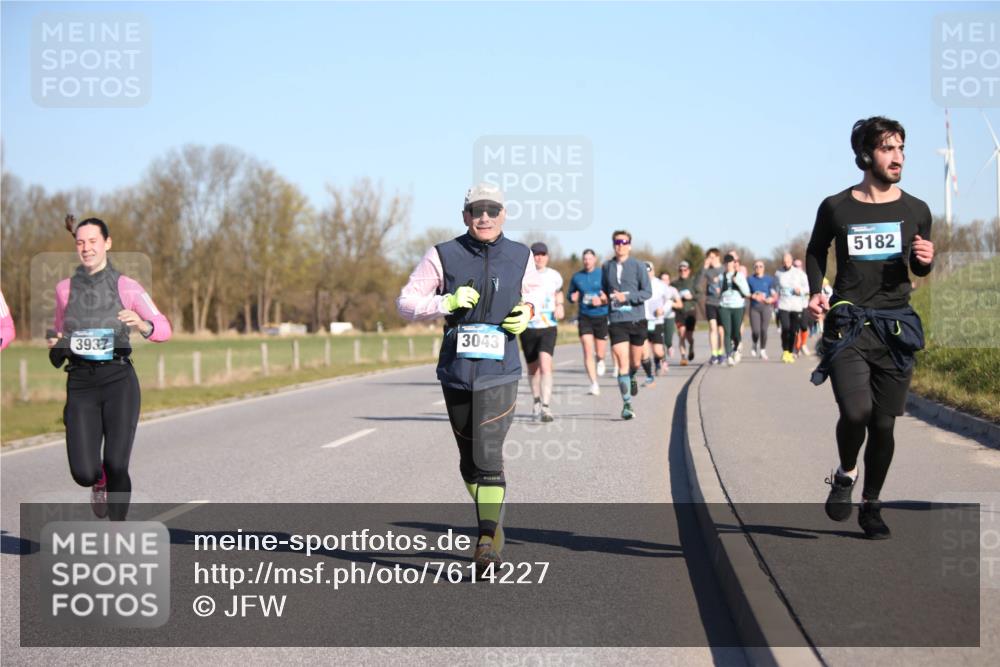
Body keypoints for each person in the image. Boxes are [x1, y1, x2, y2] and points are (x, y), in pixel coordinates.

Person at [397, 183, 542, 569]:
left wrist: (528, 310)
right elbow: (406, 302)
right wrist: (446, 301)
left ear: (503, 214)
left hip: (501, 370)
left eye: (492, 210)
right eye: (477, 210)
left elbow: (538, 294)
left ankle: (484, 541)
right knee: (468, 461)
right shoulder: (443, 254)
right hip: (458, 371)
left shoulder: (521, 255)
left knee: (488, 454)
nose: (485, 217)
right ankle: (491, 520)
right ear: (465, 215)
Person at [808, 116, 934, 540]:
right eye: (887, 149)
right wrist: (814, 291)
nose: (897, 157)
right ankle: (846, 474)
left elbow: (919, 267)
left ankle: (872, 504)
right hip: (848, 322)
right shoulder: (836, 207)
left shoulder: (917, 210)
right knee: (855, 412)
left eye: (901, 148)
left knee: (883, 424)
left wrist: (925, 259)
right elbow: (814, 251)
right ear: (865, 155)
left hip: (895, 326)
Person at [48, 215, 172, 520]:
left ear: (107, 243)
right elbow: (59, 333)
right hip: (80, 384)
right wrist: (57, 343)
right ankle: (97, 480)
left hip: (119, 381)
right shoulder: (64, 289)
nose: (86, 248)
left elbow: (164, 328)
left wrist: (142, 324)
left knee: (117, 462)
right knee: (84, 471)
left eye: (93, 241)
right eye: (80, 242)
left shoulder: (127, 286)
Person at [601, 230, 652, 420]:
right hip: (616, 320)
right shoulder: (607, 266)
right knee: (621, 361)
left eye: (624, 242)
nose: (620, 245)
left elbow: (647, 293)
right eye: (616, 242)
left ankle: (632, 376)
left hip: (637, 319)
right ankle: (627, 404)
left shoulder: (638, 266)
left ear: (629, 245)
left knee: (635, 362)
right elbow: (604, 290)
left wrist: (628, 297)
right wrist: (602, 297)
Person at [520, 242, 564, 421]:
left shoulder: (554, 276)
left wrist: (560, 305)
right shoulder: (523, 274)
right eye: (536, 254)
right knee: (533, 369)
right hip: (528, 326)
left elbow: (558, 293)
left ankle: (546, 407)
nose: (539, 257)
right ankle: (536, 401)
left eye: (542, 254)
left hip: (548, 326)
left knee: (546, 365)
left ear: (547, 256)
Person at [568, 249, 609, 395]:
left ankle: (601, 360)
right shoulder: (577, 277)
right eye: (585, 259)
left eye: (590, 258)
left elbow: (610, 295)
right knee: (587, 349)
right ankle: (594, 383)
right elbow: (570, 295)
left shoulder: (603, 274)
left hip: (601, 316)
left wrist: (603, 300)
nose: (587, 261)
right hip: (584, 316)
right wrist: (572, 297)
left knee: (600, 351)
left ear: (595, 259)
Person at [774, 252, 809, 364]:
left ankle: (790, 351)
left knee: (793, 330)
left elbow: (807, 287)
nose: (786, 263)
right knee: (785, 328)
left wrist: (801, 291)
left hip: (796, 306)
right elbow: (774, 288)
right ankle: (785, 351)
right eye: (784, 261)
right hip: (783, 305)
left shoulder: (799, 273)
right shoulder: (778, 273)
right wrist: (774, 294)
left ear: (791, 261)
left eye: (788, 261)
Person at [718, 253, 751, 366]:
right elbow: (717, 290)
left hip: (737, 307)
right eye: (726, 262)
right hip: (724, 307)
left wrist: (737, 282)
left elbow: (747, 292)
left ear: (734, 263)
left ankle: (736, 348)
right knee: (727, 332)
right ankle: (728, 356)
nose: (728, 264)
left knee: (736, 331)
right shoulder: (721, 277)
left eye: (730, 262)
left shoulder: (740, 275)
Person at [640, 261, 668, 385]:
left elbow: (670, 300)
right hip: (642, 321)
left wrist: (663, 309)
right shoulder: (637, 284)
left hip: (656, 321)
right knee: (644, 351)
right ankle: (649, 376)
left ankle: (660, 359)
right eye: (644, 272)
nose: (647, 274)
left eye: (649, 271)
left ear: (653, 271)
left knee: (658, 351)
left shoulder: (660, 285)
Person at [697, 248, 725, 364]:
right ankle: (713, 354)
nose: (711, 260)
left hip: (723, 303)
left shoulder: (724, 269)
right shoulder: (707, 271)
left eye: (713, 257)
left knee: (721, 330)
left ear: (718, 257)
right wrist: (704, 267)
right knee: (712, 327)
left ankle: (720, 352)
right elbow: (697, 283)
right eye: (709, 257)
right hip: (710, 302)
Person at [746, 260, 777, 359]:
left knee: (764, 330)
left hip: (766, 307)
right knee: (756, 331)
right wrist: (752, 296)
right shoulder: (750, 279)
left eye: (760, 266)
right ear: (754, 268)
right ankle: (754, 344)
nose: (758, 268)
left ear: (764, 268)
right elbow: (745, 293)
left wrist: (771, 299)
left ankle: (763, 350)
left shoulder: (769, 279)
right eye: (756, 266)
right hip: (754, 308)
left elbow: (774, 294)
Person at [672, 261, 698, 365]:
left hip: (690, 311)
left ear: (689, 271)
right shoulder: (674, 284)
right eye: (681, 270)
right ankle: (683, 357)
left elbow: (700, 295)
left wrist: (692, 297)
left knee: (689, 336)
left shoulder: (694, 282)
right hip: (679, 312)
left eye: (685, 270)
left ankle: (691, 345)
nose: (683, 272)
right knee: (681, 334)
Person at [659, 271, 682, 364]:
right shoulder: (656, 289)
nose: (664, 281)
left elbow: (680, 304)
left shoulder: (673, 290)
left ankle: (669, 346)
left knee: (668, 339)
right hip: (658, 318)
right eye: (662, 279)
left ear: (669, 281)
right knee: (659, 340)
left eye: (666, 279)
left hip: (669, 316)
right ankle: (663, 361)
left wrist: (671, 303)